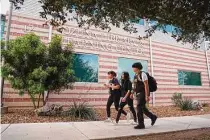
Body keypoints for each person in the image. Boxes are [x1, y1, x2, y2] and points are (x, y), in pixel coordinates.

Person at [131, 62, 157, 129]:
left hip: (143, 93)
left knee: (139, 107)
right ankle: (153, 117)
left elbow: (146, 85)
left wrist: (147, 95)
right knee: (143, 108)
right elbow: (134, 86)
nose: (133, 68)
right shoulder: (135, 75)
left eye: (134, 67)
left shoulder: (143, 74)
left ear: (137, 68)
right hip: (138, 93)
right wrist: (132, 93)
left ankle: (141, 124)